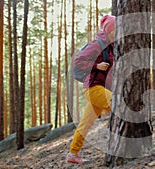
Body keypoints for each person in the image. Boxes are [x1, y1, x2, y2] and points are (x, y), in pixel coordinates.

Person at [66, 15, 116, 164]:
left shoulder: (113, 47)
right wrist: (96, 66)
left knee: (85, 123)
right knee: (118, 106)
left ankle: (72, 154)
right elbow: (78, 61)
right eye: (116, 29)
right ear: (109, 30)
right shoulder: (97, 44)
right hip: (93, 87)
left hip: (100, 89)